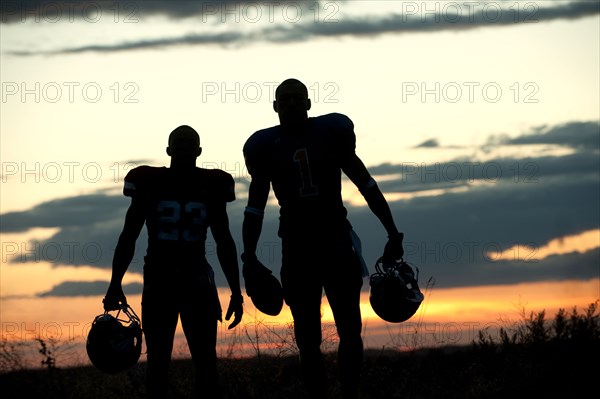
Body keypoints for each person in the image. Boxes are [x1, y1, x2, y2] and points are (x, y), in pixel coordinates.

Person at [241, 78, 404, 399]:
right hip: (297, 246)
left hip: (335, 240)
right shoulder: (267, 147)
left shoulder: (329, 135)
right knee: (307, 337)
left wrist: (392, 230)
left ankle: (350, 393)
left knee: (350, 328)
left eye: (295, 98)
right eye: (283, 100)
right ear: (274, 106)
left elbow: (366, 184)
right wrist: (248, 255)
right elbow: (254, 206)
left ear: (308, 103)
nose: (289, 104)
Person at [103, 125, 244, 399]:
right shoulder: (153, 183)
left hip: (187, 280)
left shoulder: (205, 185)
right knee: (158, 363)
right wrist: (114, 284)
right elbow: (128, 236)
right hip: (164, 280)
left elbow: (225, 241)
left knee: (205, 364)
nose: (183, 147)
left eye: (189, 142)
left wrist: (237, 293)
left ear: (199, 150)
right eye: (178, 142)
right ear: (167, 149)